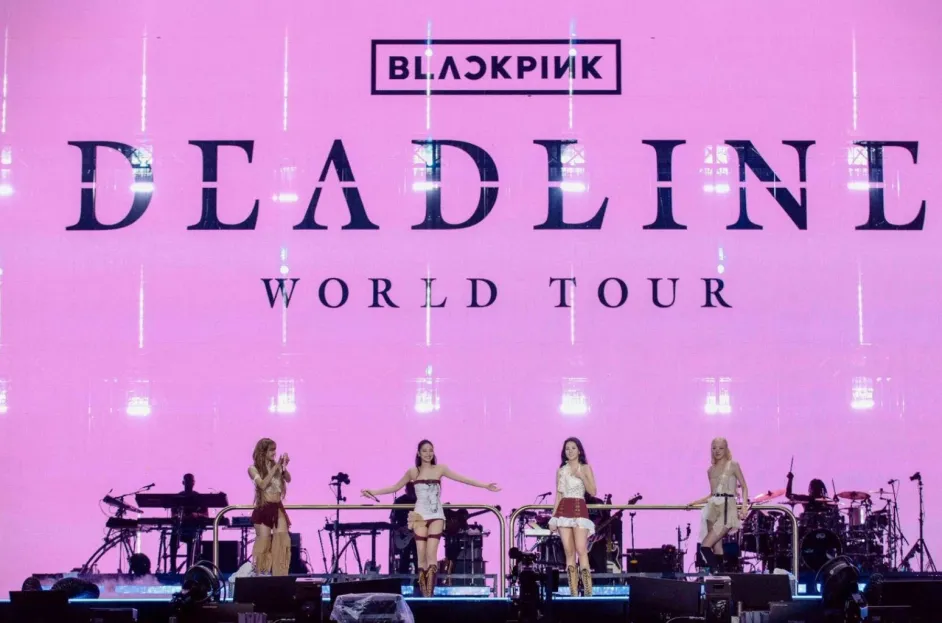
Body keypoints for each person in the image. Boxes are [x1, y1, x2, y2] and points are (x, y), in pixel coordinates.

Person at [361, 439, 500, 597]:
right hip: (419, 515)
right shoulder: (413, 472)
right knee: (421, 555)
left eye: (430, 450)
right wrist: (372, 491)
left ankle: (429, 595)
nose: (428, 453)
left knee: (431, 554)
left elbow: (463, 479)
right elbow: (395, 487)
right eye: (425, 450)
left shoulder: (440, 469)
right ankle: (423, 593)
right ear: (418, 453)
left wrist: (485, 486)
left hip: (436, 515)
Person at [687, 437, 750, 572]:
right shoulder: (710, 470)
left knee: (705, 546)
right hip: (712, 508)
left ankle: (716, 571)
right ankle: (719, 576)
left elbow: (744, 487)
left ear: (726, 449)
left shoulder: (733, 465)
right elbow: (713, 494)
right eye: (714, 448)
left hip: (727, 507)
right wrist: (695, 502)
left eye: (721, 448)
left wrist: (744, 507)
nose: (717, 451)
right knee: (717, 547)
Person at [549, 437, 597, 597]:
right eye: (567, 448)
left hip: (579, 508)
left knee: (581, 549)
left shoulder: (586, 468)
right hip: (564, 509)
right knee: (569, 552)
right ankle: (573, 592)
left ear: (579, 450)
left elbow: (593, 491)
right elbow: (558, 495)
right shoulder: (561, 470)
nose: (570, 451)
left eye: (573, 448)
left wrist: (581, 476)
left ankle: (588, 591)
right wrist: (553, 517)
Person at [248, 438, 292, 576]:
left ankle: (281, 576)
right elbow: (262, 484)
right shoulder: (253, 469)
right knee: (264, 543)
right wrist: (276, 467)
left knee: (283, 541)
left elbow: (288, 479)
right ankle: (262, 575)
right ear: (263, 451)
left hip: (277, 507)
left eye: (275, 450)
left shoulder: (277, 467)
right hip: (263, 508)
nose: (274, 453)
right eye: (271, 450)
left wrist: (283, 467)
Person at [169, 473, 209, 572]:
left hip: (193, 527)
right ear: (183, 482)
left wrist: (196, 515)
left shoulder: (199, 497)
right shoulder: (178, 497)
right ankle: (173, 567)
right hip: (180, 527)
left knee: (192, 539)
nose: (189, 483)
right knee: (173, 537)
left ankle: (190, 568)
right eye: (187, 481)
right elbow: (173, 514)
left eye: (190, 481)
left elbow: (206, 515)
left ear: (194, 483)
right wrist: (178, 516)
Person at [390, 482, 418, 575]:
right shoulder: (399, 501)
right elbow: (393, 520)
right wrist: (399, 529)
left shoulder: (420, 501)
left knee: (418, 556)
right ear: (406, 490)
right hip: (403, 534)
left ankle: (418, 579)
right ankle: (403, 579)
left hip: (416, 533)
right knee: (405, 557)